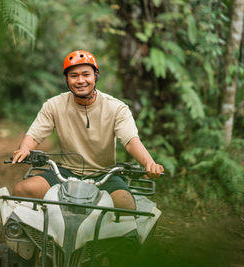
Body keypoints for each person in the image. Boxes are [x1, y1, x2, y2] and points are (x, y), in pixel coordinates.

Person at [12, 50, 164, 210]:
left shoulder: (117, 108)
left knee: (125, 206)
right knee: (22, 190)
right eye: (74, 76)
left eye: (86, 74)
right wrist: (24, 149)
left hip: (106, 175)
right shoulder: (54, 105)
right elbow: (34, 135)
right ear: (66, 79)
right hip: (64, 173)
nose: (80, 81)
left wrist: (149, 163)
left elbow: (131, 141)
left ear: (96, 76)